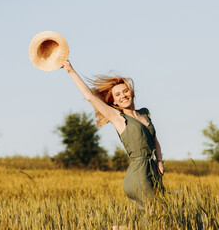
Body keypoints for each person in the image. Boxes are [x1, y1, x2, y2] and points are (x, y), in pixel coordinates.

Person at [61, 60, 165, 210]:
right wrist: (70, 71)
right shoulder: (119, 118)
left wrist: (160, 160)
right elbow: (90, 97)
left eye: (125, 91)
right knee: (155, 214)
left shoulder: (144, 114)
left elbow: (154, 139)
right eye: (118, 95)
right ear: (114, 101)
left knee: (150, 217)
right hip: (139, 174)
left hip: (153, 171)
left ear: (132, 92)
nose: (123, 96)